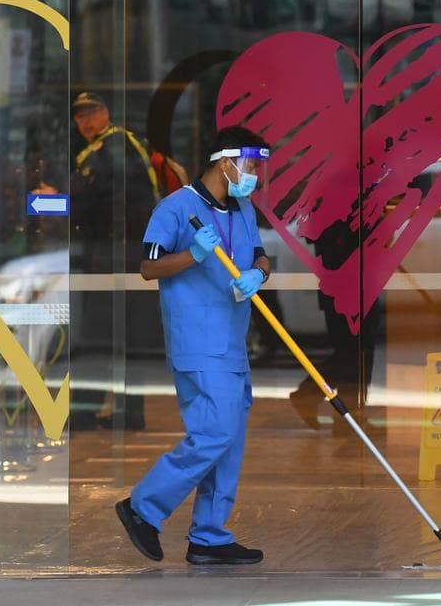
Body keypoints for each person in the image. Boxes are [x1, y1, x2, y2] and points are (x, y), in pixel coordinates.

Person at [116, 126, 272, 566]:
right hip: (197, 341)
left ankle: (209, 536)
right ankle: (142, 507)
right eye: (251, 165)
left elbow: (259, 255)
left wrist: (258, 274)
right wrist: (194, 256)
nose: (255, 174)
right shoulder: (176, 208)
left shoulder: (242, 209)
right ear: (226, 162)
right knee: (214, 434)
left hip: (232, 340)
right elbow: (148, 267)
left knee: (230, 439)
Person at [67, 92, 160, 430]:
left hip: (118, 251)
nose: (85, 121)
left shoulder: (114, 146)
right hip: (118, 250)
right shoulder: (114, 146)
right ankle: (124, 412)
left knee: (101, 333)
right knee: (121, 335)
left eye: (91, 113)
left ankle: (90, 410)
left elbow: (90, 198)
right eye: (79, 117)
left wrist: (52, 201)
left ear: (105, 113)